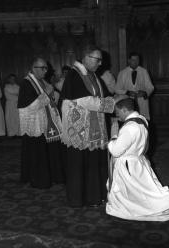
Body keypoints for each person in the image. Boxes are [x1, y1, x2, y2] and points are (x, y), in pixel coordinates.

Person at [106, 95, 169, 221]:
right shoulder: (141, 119)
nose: (117, 115)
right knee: (143, 190)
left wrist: (114, 135)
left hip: (127, 164)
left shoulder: (129, 127)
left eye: (118, 112)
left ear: (124, 110)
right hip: (138, 160)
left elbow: (115, 151)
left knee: (135, 193)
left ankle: (163, 205)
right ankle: (162, 204)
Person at [60, 44, 115, 207]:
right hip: (80, 129)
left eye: (100, 60)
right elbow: (83, 100)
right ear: (86, 57)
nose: (100, 63)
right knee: (79, 164)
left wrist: (112, 99)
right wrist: (111, 104)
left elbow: (102, 95)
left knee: (93, 162)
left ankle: (94, 196)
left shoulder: (93, 75)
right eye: (97, 60)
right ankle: (78, 198)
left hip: (94, 126)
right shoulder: (74, 75)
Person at [17, 57, 63, 188]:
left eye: (46, 68)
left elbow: (50, 100)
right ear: (33, 68)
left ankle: (54, 175)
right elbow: (27, 108)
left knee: (50, 151)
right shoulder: (27, 83)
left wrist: (50, 94)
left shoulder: (41, 81)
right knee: (38, 153)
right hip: (35, 125)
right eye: (42, 68)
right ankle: (39, 179)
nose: (45, 71)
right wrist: (46, 94)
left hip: (47, 123)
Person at [115, 52, 154, 121]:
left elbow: (150, 87)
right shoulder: (122, 73)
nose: (136, 62)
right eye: (133, 60)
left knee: (143, 121)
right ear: (129, 60)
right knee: (130, 120)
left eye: (137, 60)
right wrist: (127, 92)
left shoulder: (144, 71)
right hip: (128, 102)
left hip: (141, 101)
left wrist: (145, 93)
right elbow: (117, 89)